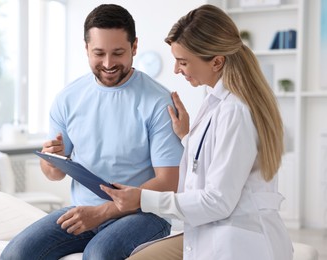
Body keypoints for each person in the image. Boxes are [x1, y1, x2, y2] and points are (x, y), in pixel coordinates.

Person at [101, 4, 293, 260]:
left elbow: (217, 201)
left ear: (216, 62)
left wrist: (142, 199)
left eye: (183, 62)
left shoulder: (234, 110)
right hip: (214, 229)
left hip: (237, 241)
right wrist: (187, 136)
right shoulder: (218, 101)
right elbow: (219, 157)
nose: (176, 70)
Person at [0, 4, 183, 260]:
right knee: (15, 255)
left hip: (144, 214)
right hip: (83, 210)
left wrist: (104, 212)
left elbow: (168, 182)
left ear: (135, 47)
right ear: (86, 48)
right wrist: (52, 159)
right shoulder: (68, 99)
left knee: (98, 255)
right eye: (99, 53)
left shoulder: (157, 101)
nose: (108, 64)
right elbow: (53, 174)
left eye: (118, 53)